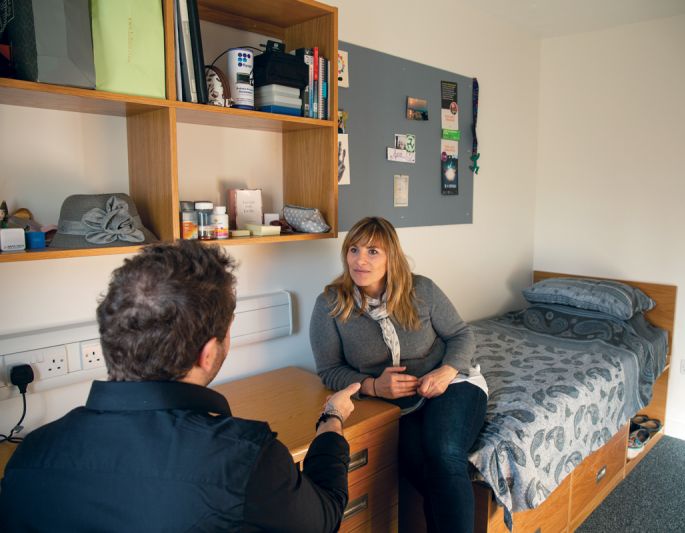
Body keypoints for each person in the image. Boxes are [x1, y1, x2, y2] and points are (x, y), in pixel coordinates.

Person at [0, 240, 360, 532]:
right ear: (208, 354)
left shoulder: (29, 455)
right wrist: (331, 420)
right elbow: (324, 518)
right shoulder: (246, 459)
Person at [310, 216, 488, 533]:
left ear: (392, 256)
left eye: (372, 251)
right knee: (418, 466)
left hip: (451, 384)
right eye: (353, 249)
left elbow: (462, 335)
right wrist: (374, 387)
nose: (360, 260)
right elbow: (329, 370)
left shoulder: (423, 290)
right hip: (391, 404)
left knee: (444, 453)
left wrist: (447, 371)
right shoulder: (330, 305)